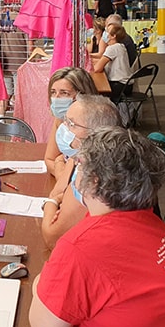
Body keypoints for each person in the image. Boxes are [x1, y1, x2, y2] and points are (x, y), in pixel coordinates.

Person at [30, 127, 165, 327]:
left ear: (94, 181)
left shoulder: (81, 247)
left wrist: (39, 284)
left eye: (78, 165)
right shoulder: (149, 220)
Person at [41, 94, 121, 249]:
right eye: (66, 120)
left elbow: (52, 237)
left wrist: (51, 204)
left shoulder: (93, 176)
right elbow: (59, 190)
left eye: (71, 124)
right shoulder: (77, 157)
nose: (63, 127)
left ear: (95, 133)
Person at [43, 68, 98, 179]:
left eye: (64, 93)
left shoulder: (97, 122)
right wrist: (64, 174)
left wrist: (60, 166)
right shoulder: (60, 120)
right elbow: (49, 159)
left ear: (82, 95)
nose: (56, 98)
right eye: (53, 92)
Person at [93, 23, 134, 101]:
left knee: (96, 90)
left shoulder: (112, 49)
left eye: (107, 31)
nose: (105, 33)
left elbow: (97, 68)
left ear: (113, 35)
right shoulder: (120, 46)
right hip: (127, 85)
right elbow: (103, 60)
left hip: (119, 86)